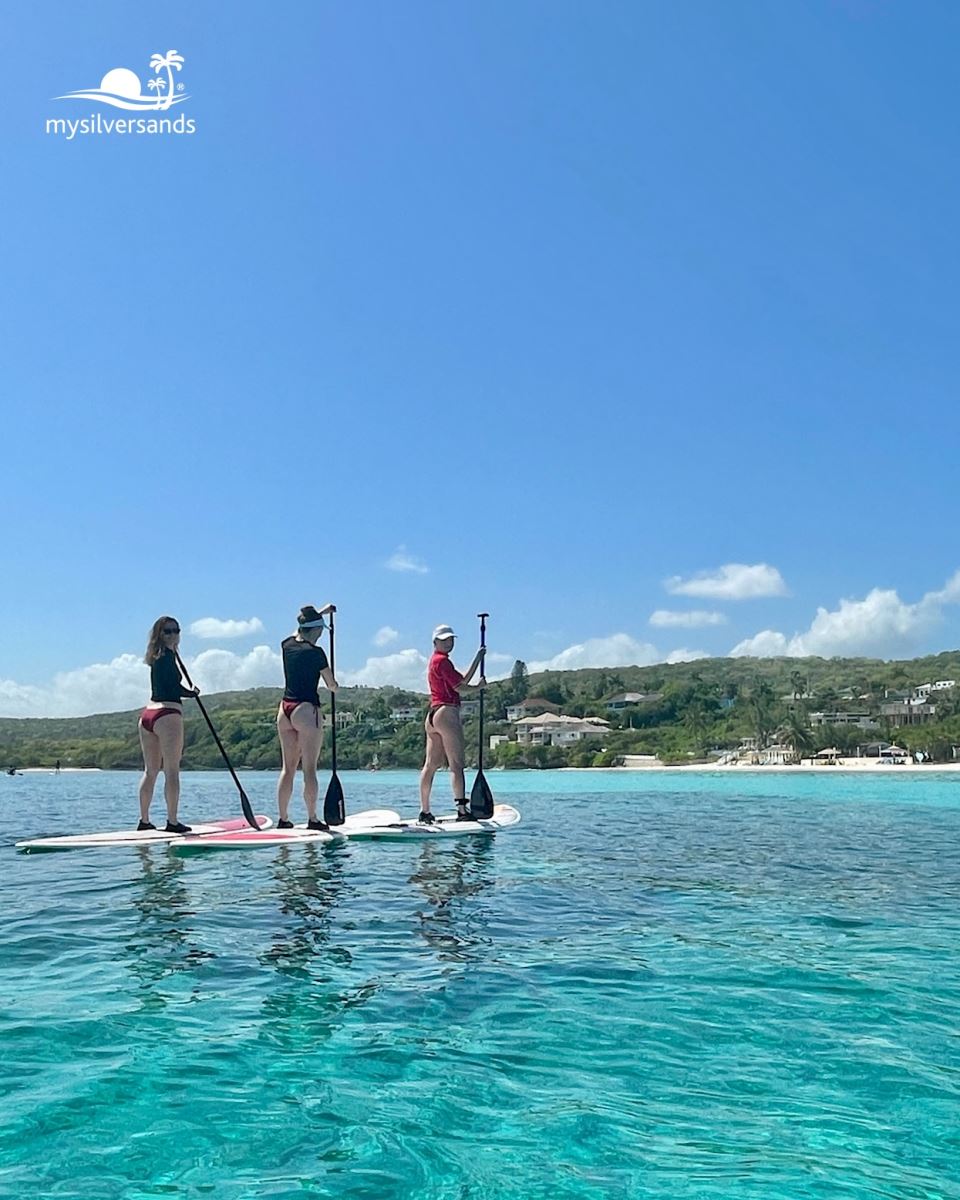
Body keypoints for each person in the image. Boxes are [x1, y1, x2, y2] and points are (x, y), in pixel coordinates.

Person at [276, 604, 338, 829]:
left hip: (284, 711)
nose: (322, 634)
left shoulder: (287, 645)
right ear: (315, 630)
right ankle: (312, 818)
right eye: (320, 630)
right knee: (309, 768)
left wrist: (320, 613)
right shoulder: (316, 653)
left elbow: (299, 628)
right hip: (306, 710)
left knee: (288, 768)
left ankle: (283, 819)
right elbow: (330, 684)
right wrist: (335, 687)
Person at [419, 623, 486, 823]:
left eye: (451, 640)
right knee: (456, 765)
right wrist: (478, 687)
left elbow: (461, 680)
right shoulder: (443, 662)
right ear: (435, 642)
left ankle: (425, 811)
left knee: (430, 765)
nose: (448, 643)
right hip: (447, 713)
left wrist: (477, 658)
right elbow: (461, 688)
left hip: (432, 716)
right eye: (444, 640)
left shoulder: (435, 661)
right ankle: (462, 811)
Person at [138, 616, 199, 833]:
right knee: (171, 771)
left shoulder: (157, 656)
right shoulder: (167, 657)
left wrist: (187, 691)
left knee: (151, 770)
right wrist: (191, 693)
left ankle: (144, 821)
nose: (173, 635)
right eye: (168, 632)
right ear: (159, 635)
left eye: (176, 631)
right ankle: (172, 822)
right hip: (167, 714)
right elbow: (173, 686)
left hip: (148, 715)